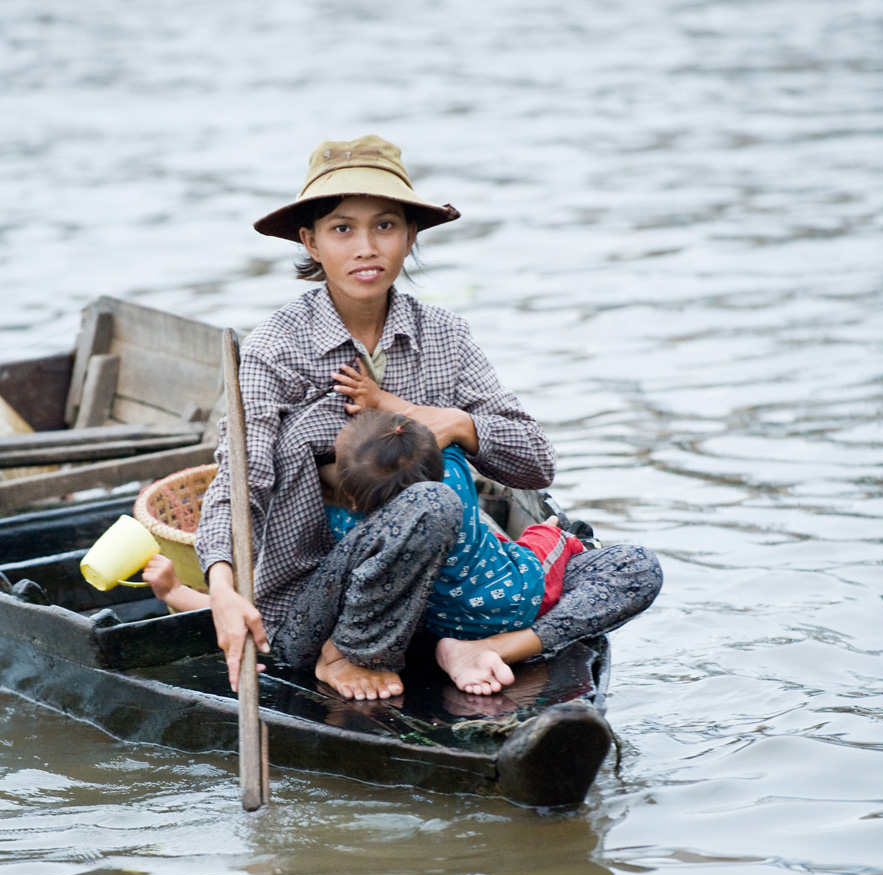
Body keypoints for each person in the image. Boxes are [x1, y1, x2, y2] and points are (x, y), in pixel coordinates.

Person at [193, 134, 663, 702]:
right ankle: (350, 655)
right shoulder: (276, 348)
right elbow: (241, 479)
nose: (366, 247)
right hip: (322, 614)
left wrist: (459, 424)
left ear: (410, 236)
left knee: (635, 567)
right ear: (310, 242)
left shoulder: (445, 335)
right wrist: (220, 584)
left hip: (457, 606)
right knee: (432, 502)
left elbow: (537, 462)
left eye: (385, 226)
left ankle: (493, 648)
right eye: (342, 229)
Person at [325, 408, 585, 647]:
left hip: (437, 623)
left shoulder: (346, 521)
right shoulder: (452, 475)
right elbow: (446, 435)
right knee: (549, 536)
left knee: (486, 541)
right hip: (508, 605)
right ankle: (563, 537)